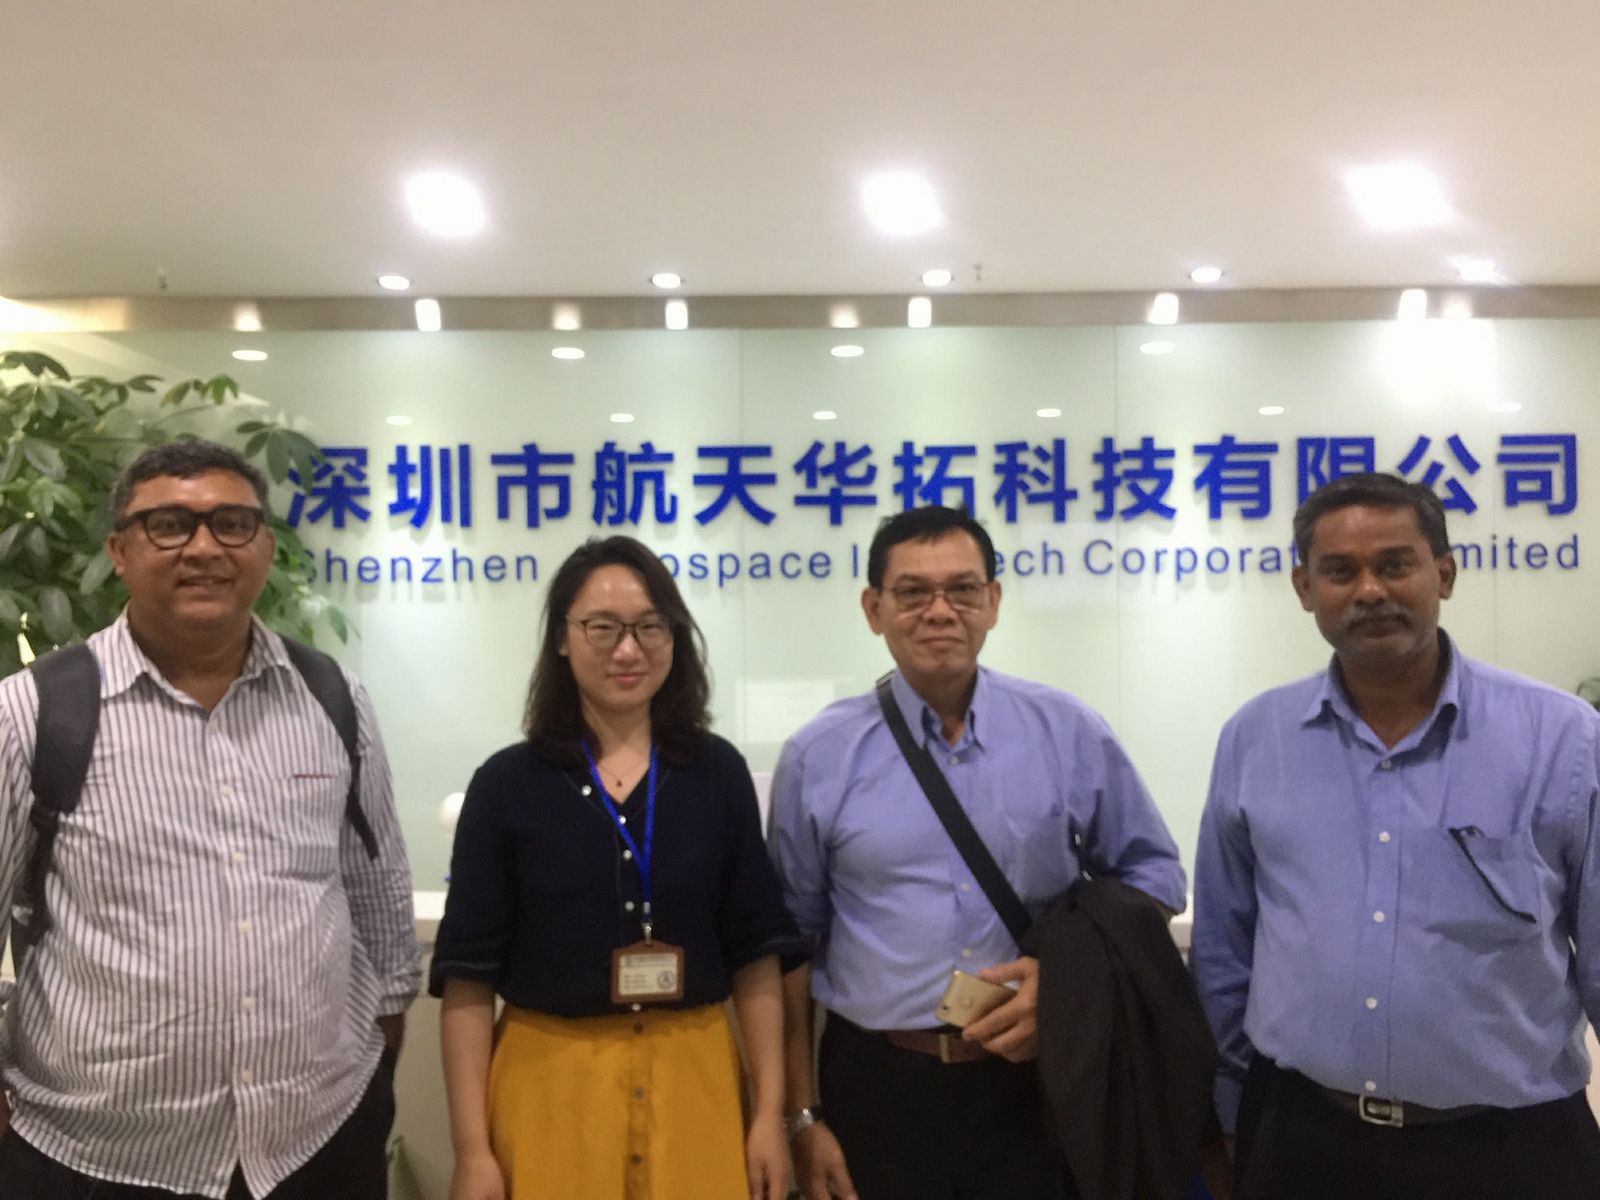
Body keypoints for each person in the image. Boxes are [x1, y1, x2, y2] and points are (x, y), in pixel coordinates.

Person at [0, 440, 420, 1199]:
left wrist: (378, 1063)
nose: (204, 548)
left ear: (265, 547)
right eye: (168, 525)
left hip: (316, 1143)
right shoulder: (35, 710)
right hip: (100, 1159)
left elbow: (377, 892)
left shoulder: (332, 696)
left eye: (233, 523)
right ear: (118, 552)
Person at [1191, 472, 1600, 1200]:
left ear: (1444, 573)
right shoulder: (1255, 739)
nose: (1370, 590)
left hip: (1513, 1147)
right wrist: (1227, 1112)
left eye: (1395, 564)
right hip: (1303, 1140)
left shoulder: (1562, 739)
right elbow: (1225, 950)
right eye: (1340, 571)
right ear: (1304, 588)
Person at [769, 505, 1187, 1200]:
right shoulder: (820, 756)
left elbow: (1154, 872)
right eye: (912, 592)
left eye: (962, 589)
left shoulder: (1066, 730)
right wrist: (803, 1118)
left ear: (992, 601)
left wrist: (1067, 982)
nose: (940, 611)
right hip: (879, 1087)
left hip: (1040, 1081)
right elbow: (790, 945)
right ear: (873, 609)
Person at [432, 535, 807, 1200]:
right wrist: (472, 1150)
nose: (628, 650)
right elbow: (467, 982)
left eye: (649, 626)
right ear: (561, 637)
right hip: (552, 1087)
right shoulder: (507, 785)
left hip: (695, 1084)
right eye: (602, 627)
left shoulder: (716, 772)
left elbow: (755, 956)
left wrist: (769, 1116)